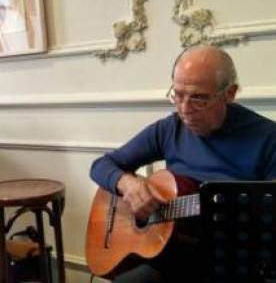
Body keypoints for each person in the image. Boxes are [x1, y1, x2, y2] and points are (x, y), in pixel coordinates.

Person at [90, 45, 276, 283]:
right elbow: (101, 165)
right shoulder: (170, 128)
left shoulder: (268, 138)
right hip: (174, 255)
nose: (185, 110)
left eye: (198, 98)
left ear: (229, 93)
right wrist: (128, 184)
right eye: (178, 95)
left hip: (236, 260)